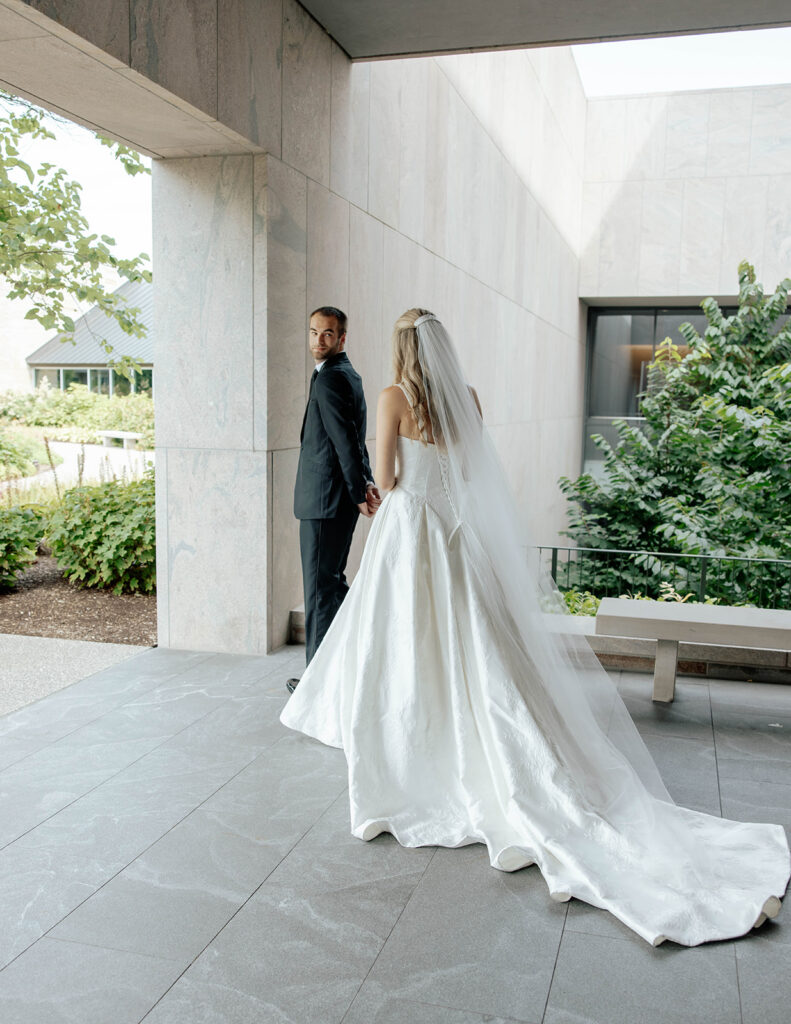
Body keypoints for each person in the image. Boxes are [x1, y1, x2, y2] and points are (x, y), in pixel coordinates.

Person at [281, 307, 790, 946]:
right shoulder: (466, 398)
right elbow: (469, 475)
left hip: (410, 534)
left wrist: (395, 478)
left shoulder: (392, 398)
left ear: (400, 349)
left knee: (407, 644)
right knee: (478, 648)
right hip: (457, 539)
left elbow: (385, 478)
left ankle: (412, 733)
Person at [288, 306, 381, 693]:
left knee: (320, 590)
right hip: (334, 498)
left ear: (342, 338)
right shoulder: (344, 374)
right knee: (329, 585)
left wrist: (360, 490)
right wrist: (365, 481)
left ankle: (317, 685)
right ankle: (345, 665)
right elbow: (353, 437)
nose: (318, 340)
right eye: (313, 332)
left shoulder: (331, 378)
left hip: (326, 500)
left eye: (327, 334)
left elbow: (346, 440)